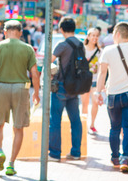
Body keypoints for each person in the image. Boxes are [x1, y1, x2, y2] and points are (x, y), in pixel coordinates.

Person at [0, 20, 40, 176]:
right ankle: (11, 164)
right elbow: (34, 74)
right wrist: (36, 93)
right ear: (20, 32)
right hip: (21, 88)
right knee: (19, 127)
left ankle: (0, 151)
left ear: (5, 32)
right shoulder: (27, 48)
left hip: (1, 87)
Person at [96, 23, 128, 172]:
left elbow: (102, 73)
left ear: (117, 34)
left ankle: (115, 157)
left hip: (113, 94)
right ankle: (125, 158)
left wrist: (98, 92)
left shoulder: (108, 50)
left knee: (114, 128)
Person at [48, 17, 84, 161]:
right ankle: (76, 152)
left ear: (62, 29)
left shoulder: (62, 45)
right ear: (74, 28)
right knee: (75, 120)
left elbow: (49, 61)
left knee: (55, 120)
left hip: (61, 87)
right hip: (75, 87)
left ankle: (55, 154)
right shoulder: (80, 44)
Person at [81, 28, 102, 134]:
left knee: (95, 102)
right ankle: (83, 124)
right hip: (83, 80)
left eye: (97, 35)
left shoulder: (100, 52)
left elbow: (102, 69)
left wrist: (101, 84)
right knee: (84, 104)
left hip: (95, 81)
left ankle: (92, 124)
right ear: (88, 36)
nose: (95, 37)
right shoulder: (82, 49)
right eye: (92, 35)